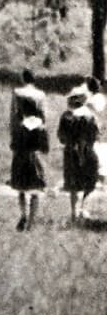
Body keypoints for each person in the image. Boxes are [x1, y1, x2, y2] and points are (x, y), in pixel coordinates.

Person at [58, 86, 100, 224]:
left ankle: (74, 212)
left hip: (70, 151)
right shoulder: (90, 115)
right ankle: (82, 208)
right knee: (90, 181)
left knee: (73, 183)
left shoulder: (66, 116)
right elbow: (95, 134)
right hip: (87, 151)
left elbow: (61, 137)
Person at [8, 95, 49, 231]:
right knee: (35, 191)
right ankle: (31, 222)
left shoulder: (19, 127)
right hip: (35, 160)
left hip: (20, 158)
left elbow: (13, 145)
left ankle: (23, 214)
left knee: (21, 189)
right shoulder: (41, 127)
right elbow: (45, 148)